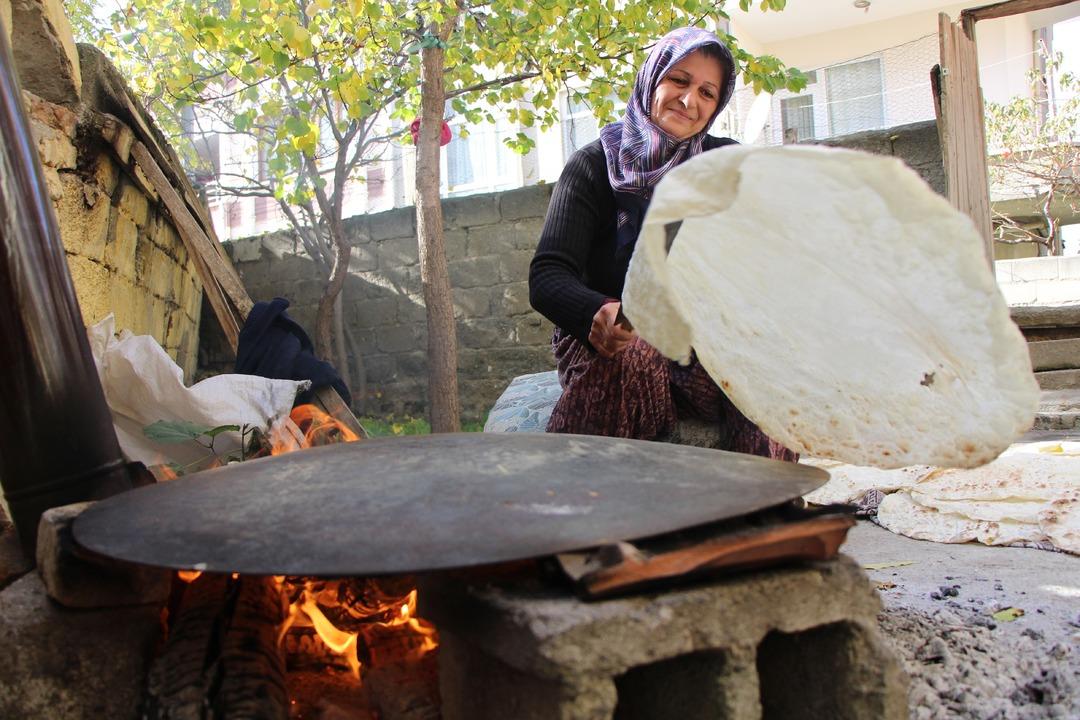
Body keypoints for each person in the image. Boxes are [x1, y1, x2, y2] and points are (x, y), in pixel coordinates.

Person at [528, 26, 795, 461]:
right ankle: (577, 505)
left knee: (768, 367)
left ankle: (760, 515)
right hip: (612, 345)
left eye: (708, 93)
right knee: (636, 345)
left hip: (698, 353)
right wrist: (595, 310)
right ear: (653, 79)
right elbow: (547, 275)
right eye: (680, 80)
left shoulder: (724, 165)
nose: (690, 101)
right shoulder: (593, 166)